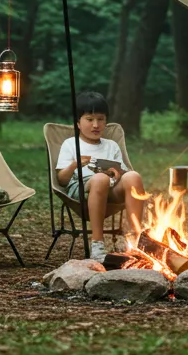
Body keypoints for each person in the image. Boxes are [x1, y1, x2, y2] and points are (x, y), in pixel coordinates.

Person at [55, 91, 145, 262]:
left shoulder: (111, 146)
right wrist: (74, 165)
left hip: (110, 187)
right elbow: (62, 180)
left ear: (106, 122)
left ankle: (135, 239)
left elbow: (122, 173)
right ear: (78, 123)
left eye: (100, 119)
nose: (95, 125)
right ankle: (97, 245)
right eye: (89, 119)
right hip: (81, 189)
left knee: (134, 177)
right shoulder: (71, 144)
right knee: (100, 179)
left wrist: (116, 174)